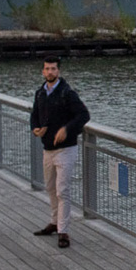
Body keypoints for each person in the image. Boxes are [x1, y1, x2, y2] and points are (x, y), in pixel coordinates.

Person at [30, 55, 89, 249]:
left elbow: (84, 115)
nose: (50, 72)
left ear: (59, 71)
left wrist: (66, 129)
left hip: (66, 149)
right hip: (48, 149)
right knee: (50, 188)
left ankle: (63, 231)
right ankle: (54, 222)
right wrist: (36, 128)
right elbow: (34, 115)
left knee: (62, 189)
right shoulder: (40, 93)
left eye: (53, 69)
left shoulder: (66, 93)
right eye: (47, 69)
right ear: (42, 71)